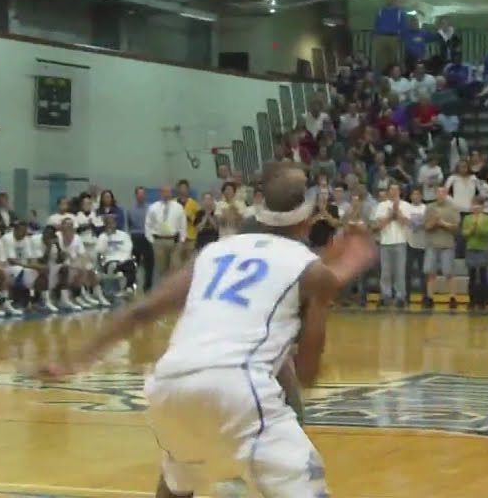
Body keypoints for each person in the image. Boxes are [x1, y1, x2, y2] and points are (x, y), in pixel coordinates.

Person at [37, 162, 377, 498]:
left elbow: (141, 311)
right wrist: (335, 280)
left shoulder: (213, 252)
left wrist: (76, 360)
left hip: (169, 384)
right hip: (239, 386)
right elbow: (307, 374)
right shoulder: (312, 271)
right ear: (308, 218)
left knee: (178, 477)